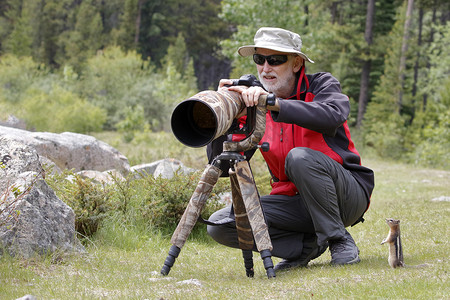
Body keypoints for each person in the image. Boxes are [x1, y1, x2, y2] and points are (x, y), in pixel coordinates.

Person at [206, 27, 375, 270]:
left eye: (275, 60)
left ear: (296, 63)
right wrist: (227, 117)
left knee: (299, 158)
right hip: (293, 203)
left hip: (346, 197)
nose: (266, 68)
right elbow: (223, 166)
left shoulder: (322, 85)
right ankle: (307, 246)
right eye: (259, 59)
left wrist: (273, 104)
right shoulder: (256, 106)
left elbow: (332, 114)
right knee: (220, 223)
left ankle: (338, 238)